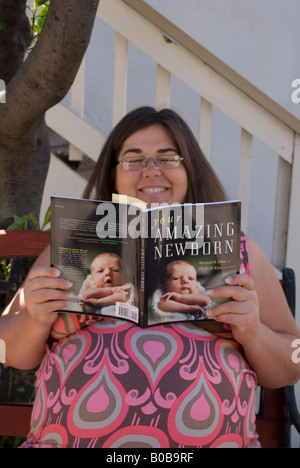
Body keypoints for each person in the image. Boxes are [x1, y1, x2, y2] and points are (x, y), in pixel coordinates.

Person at [1, 107, 300, 448]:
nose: (151, 171)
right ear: (113, 173)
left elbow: (293, 363)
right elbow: (7, 350)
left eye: (168, 157)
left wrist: (255, 333)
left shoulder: (236, 247)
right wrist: (34, 317)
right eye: (133, 159)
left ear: (190, 169)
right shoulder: (70, 246)